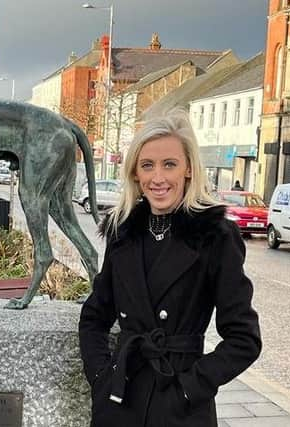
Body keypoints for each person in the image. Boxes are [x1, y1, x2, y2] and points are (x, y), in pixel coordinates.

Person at [78, 110, 261, 427]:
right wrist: (100, 377)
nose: (158, 178)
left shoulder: (214, 236)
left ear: (189, 169)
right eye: (147, 165)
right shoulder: (122, 232)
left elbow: (245, 339)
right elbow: (94, 317)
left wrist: (190, 389)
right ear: (135, 172)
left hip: (181, 407)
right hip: (121, 400)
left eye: (169, 164)